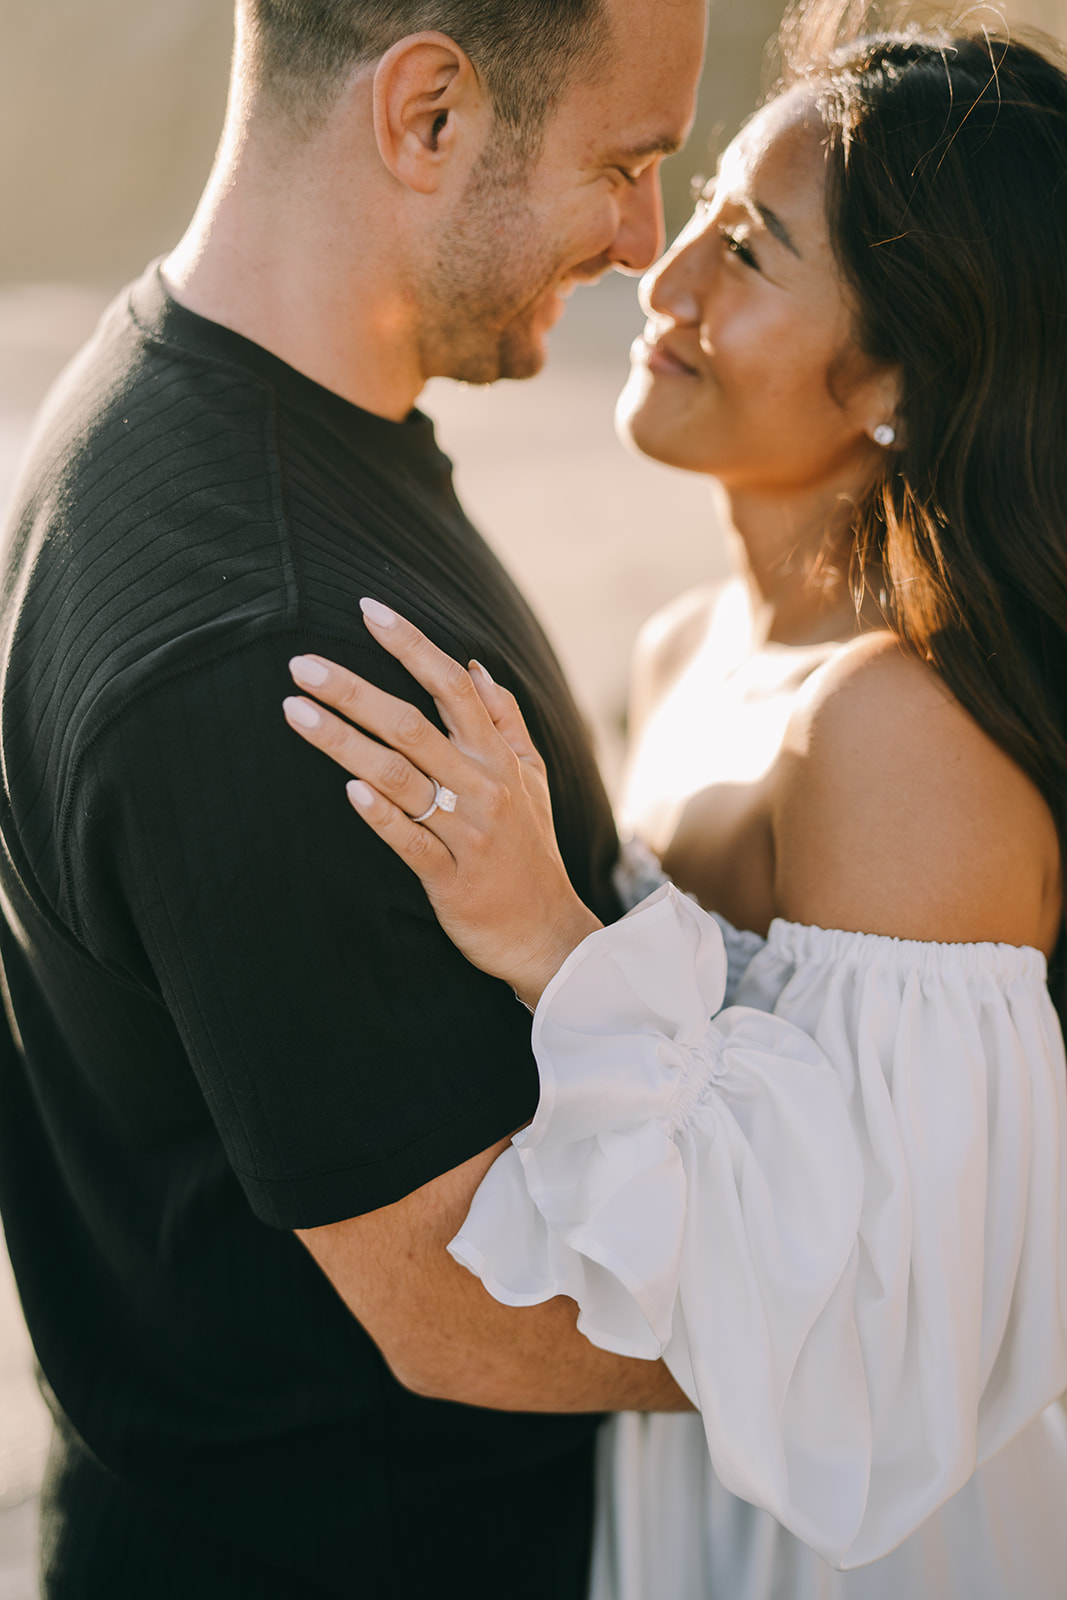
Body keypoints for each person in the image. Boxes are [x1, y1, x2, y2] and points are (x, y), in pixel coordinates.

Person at [280, 11, 1067, 1598]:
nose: (666, 277)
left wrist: (554, 946)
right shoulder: (682, 649)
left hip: (876, 1538)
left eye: (754, 256)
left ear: (904, 377)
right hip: (692, 1484)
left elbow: (904, 1331)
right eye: (700, 206)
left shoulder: (899, 736)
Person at [0, 1, 710, 1594]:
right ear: (431, 113)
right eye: (626, 163)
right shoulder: (272, 642)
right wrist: (905, 1336)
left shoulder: (186, 389)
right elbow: (464, 1312)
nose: (644, 240)